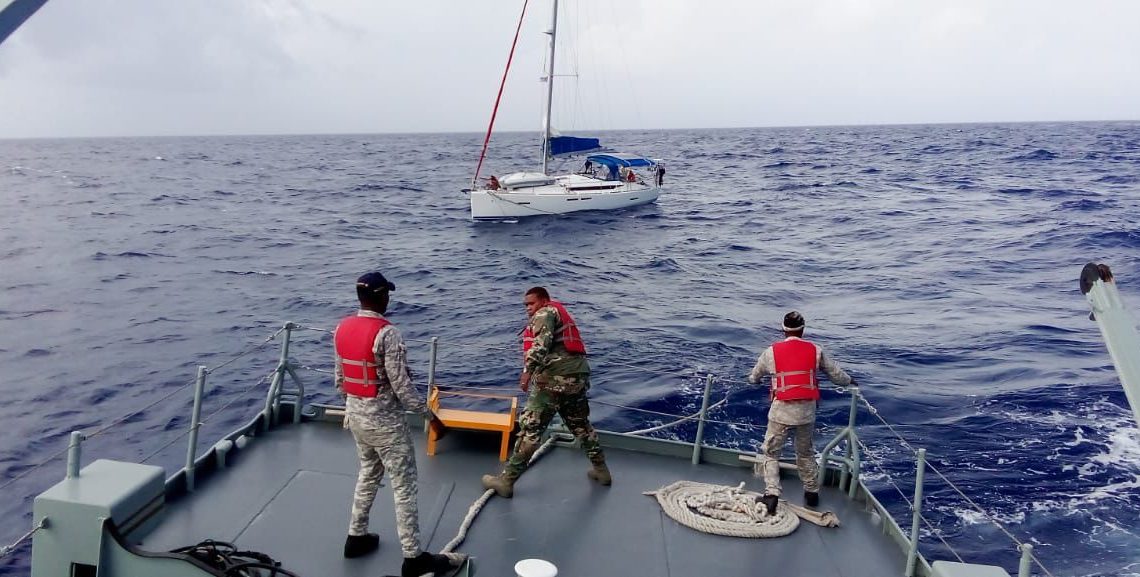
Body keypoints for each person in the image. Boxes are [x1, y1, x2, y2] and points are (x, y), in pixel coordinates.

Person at [334, 271, 461, 577]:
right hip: (387, 426)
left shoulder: (342, 328)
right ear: (380, 297)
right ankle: (413, 558)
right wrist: (431, 418)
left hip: (357, 418)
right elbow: (403, 388)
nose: (389, 298)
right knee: (404, 488)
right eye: (386, 294)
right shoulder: (388, 334)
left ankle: (356, 537)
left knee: (367, 474)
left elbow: (340, 381)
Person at [481, 287, 610, 498]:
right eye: (526, 305)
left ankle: (506, 481)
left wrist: (526, 373)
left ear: (544, 301)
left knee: (531, 430)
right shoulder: (558, 312)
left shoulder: (545, 313)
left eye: (531, 304)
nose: (528, 309)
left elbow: (540, 345)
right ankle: (602, 471)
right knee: (581, 426)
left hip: (553, 381)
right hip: (577, 378)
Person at [747, 311, 855, 515]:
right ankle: (812, 492)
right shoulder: (815, 350)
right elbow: (835, 374)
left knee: (771, 453)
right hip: (806, 412)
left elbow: (755, 376)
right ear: (803, 329)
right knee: (805, 452)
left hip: (781, 412)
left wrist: (754, 380)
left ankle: (771, 495)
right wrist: (850, 381)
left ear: (783, 329)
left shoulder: (771, 352)